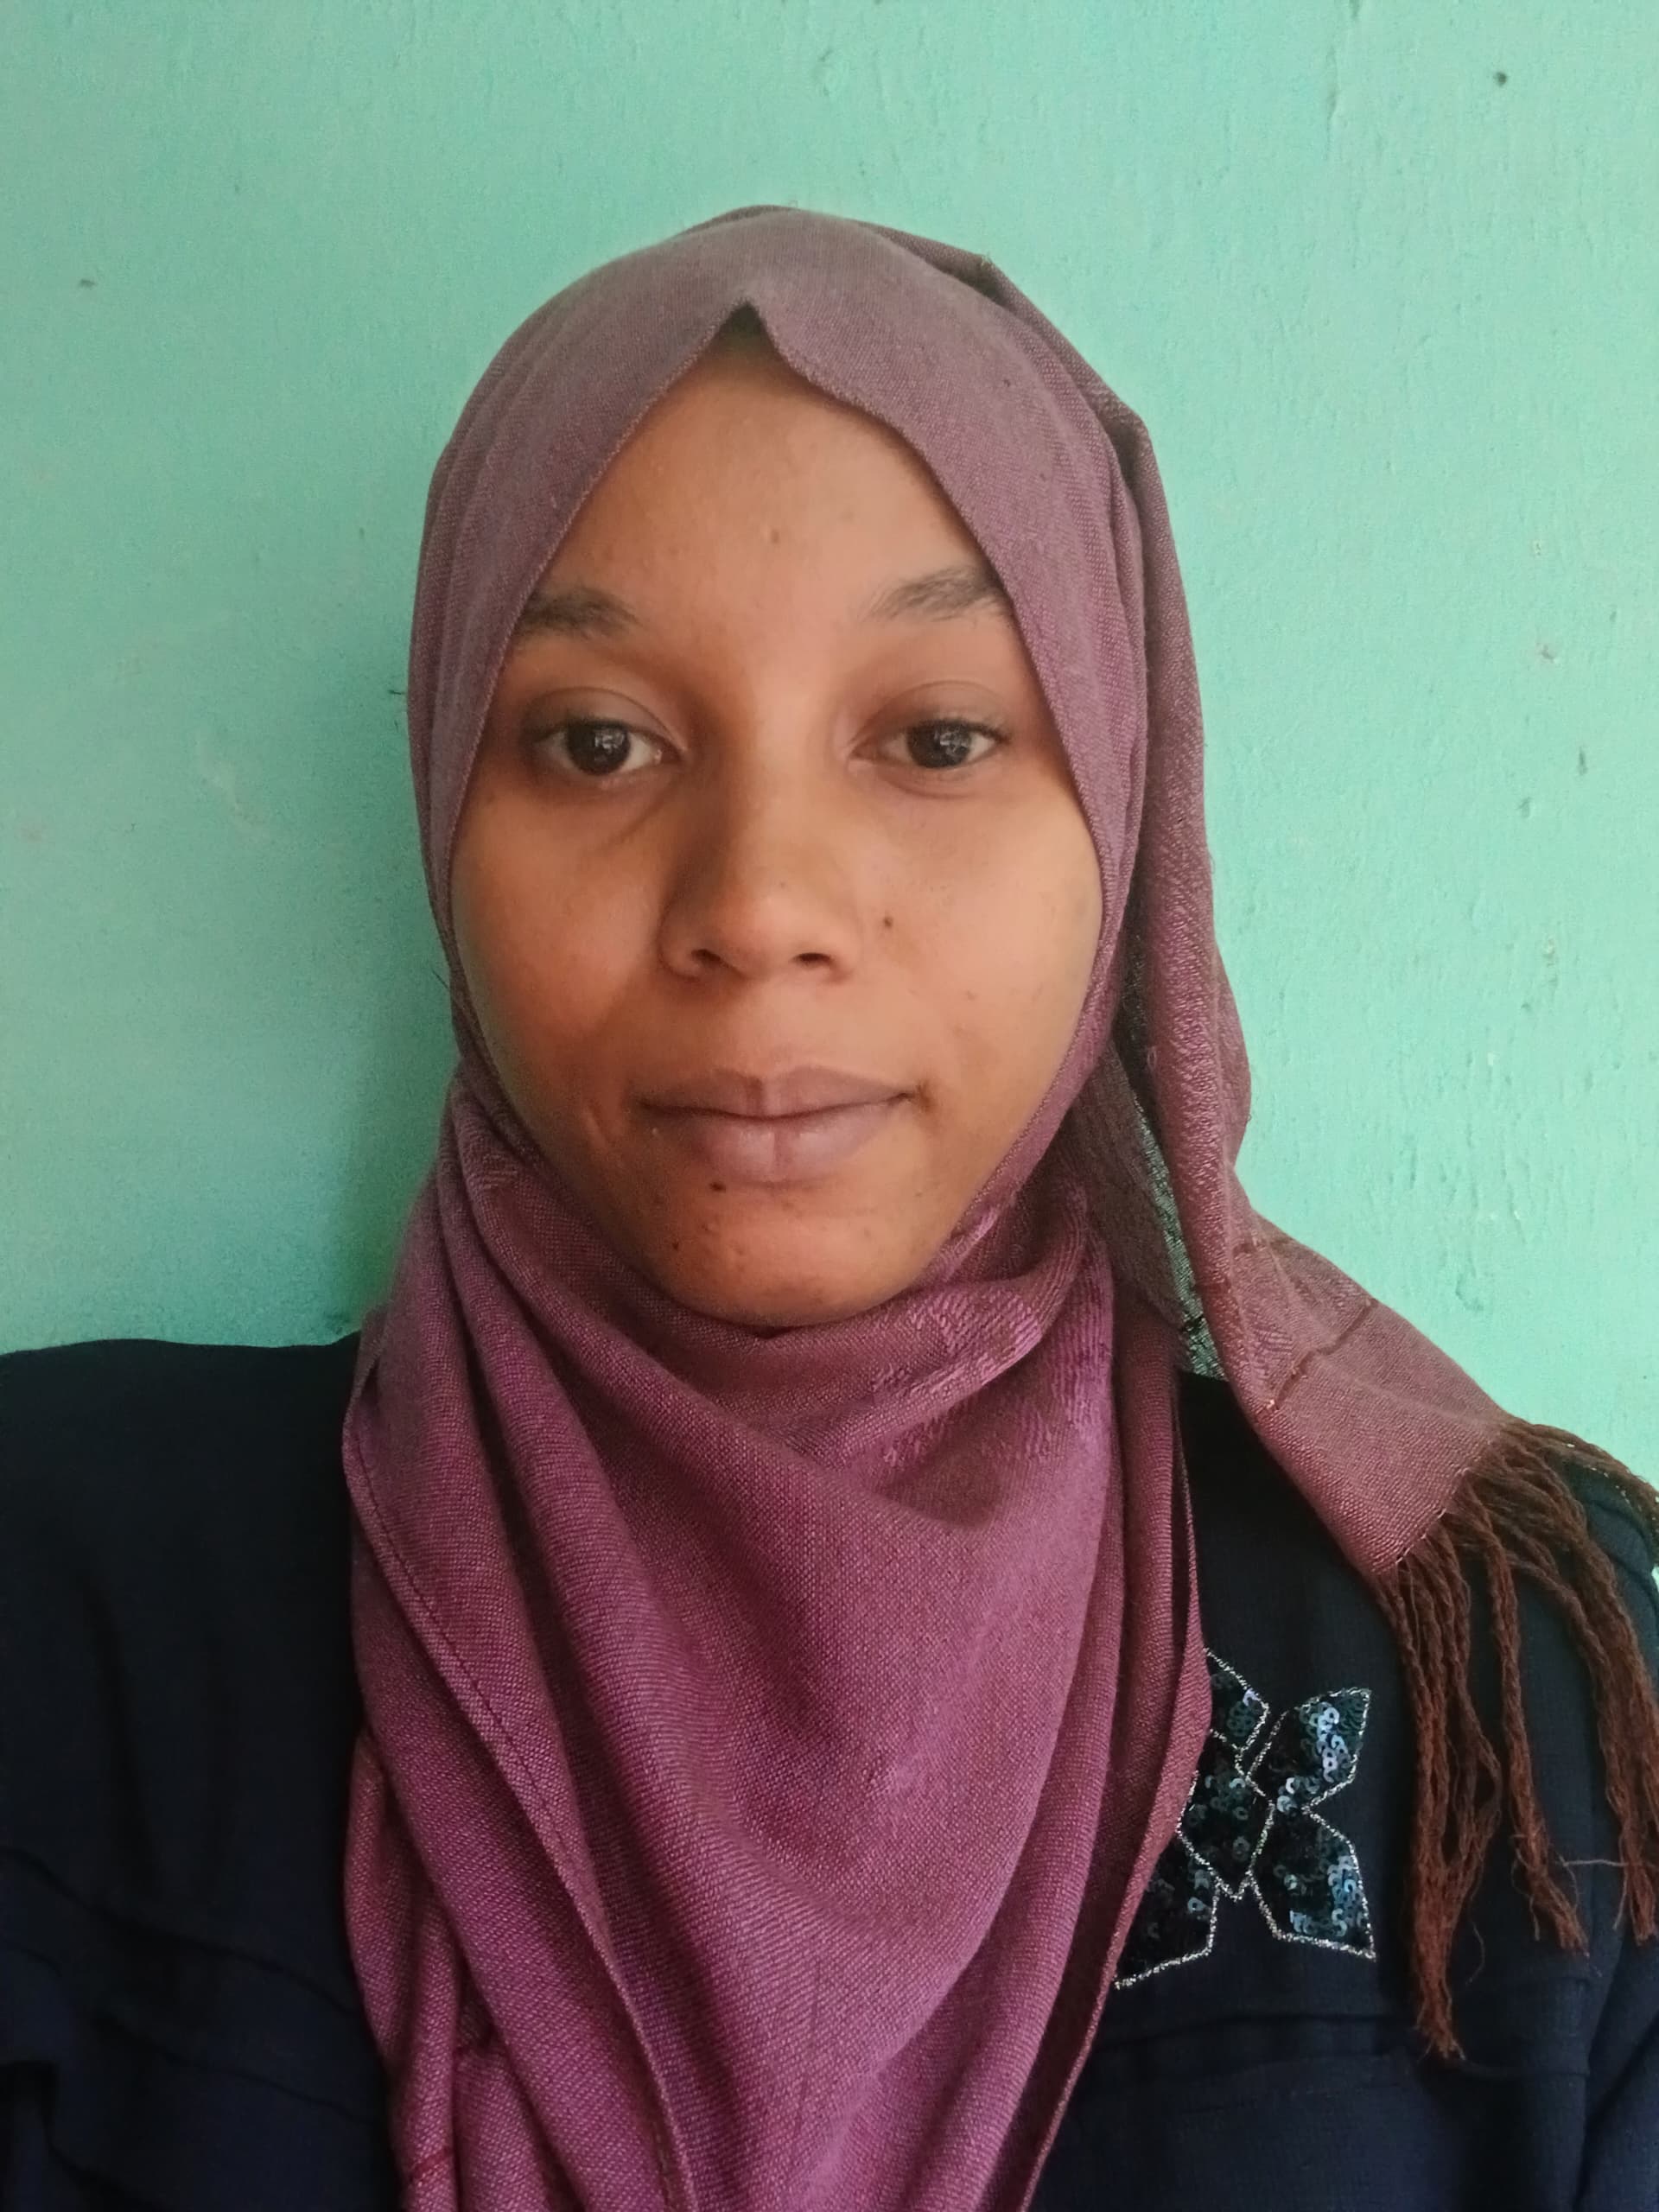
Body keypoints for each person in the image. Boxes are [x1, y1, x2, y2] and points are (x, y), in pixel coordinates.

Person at [2, 204, 1656, 2212]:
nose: (761, 902)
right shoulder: (65, 1620)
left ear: (1120, 805)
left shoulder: (1517, 1703)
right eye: (598, 740)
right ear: (448, 793)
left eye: (938, 736)